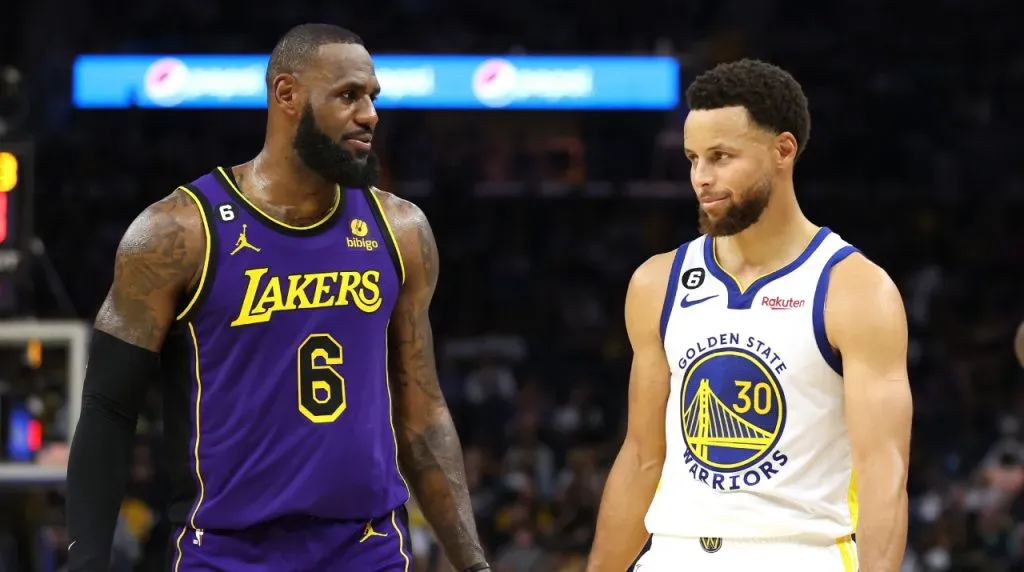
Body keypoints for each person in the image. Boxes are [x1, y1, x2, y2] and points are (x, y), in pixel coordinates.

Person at [65, 24, 489, 572]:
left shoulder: (400, 229)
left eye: (372, 97)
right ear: (286, 95)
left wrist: (473, 563)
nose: (370, 115)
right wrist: (86, 560)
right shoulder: (178, 232)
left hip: (366, 547)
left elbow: (423, 414)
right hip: (224, 551)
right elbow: (108, 407)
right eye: (348, 95)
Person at [587, 59, 912, 571]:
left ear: (783, 149)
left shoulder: (854, 289)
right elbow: (642, 457)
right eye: (693, 158)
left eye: (721, 157)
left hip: (800, 555)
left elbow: (883, 473)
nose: (701, 178)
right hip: (673, 553)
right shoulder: (657, 282)